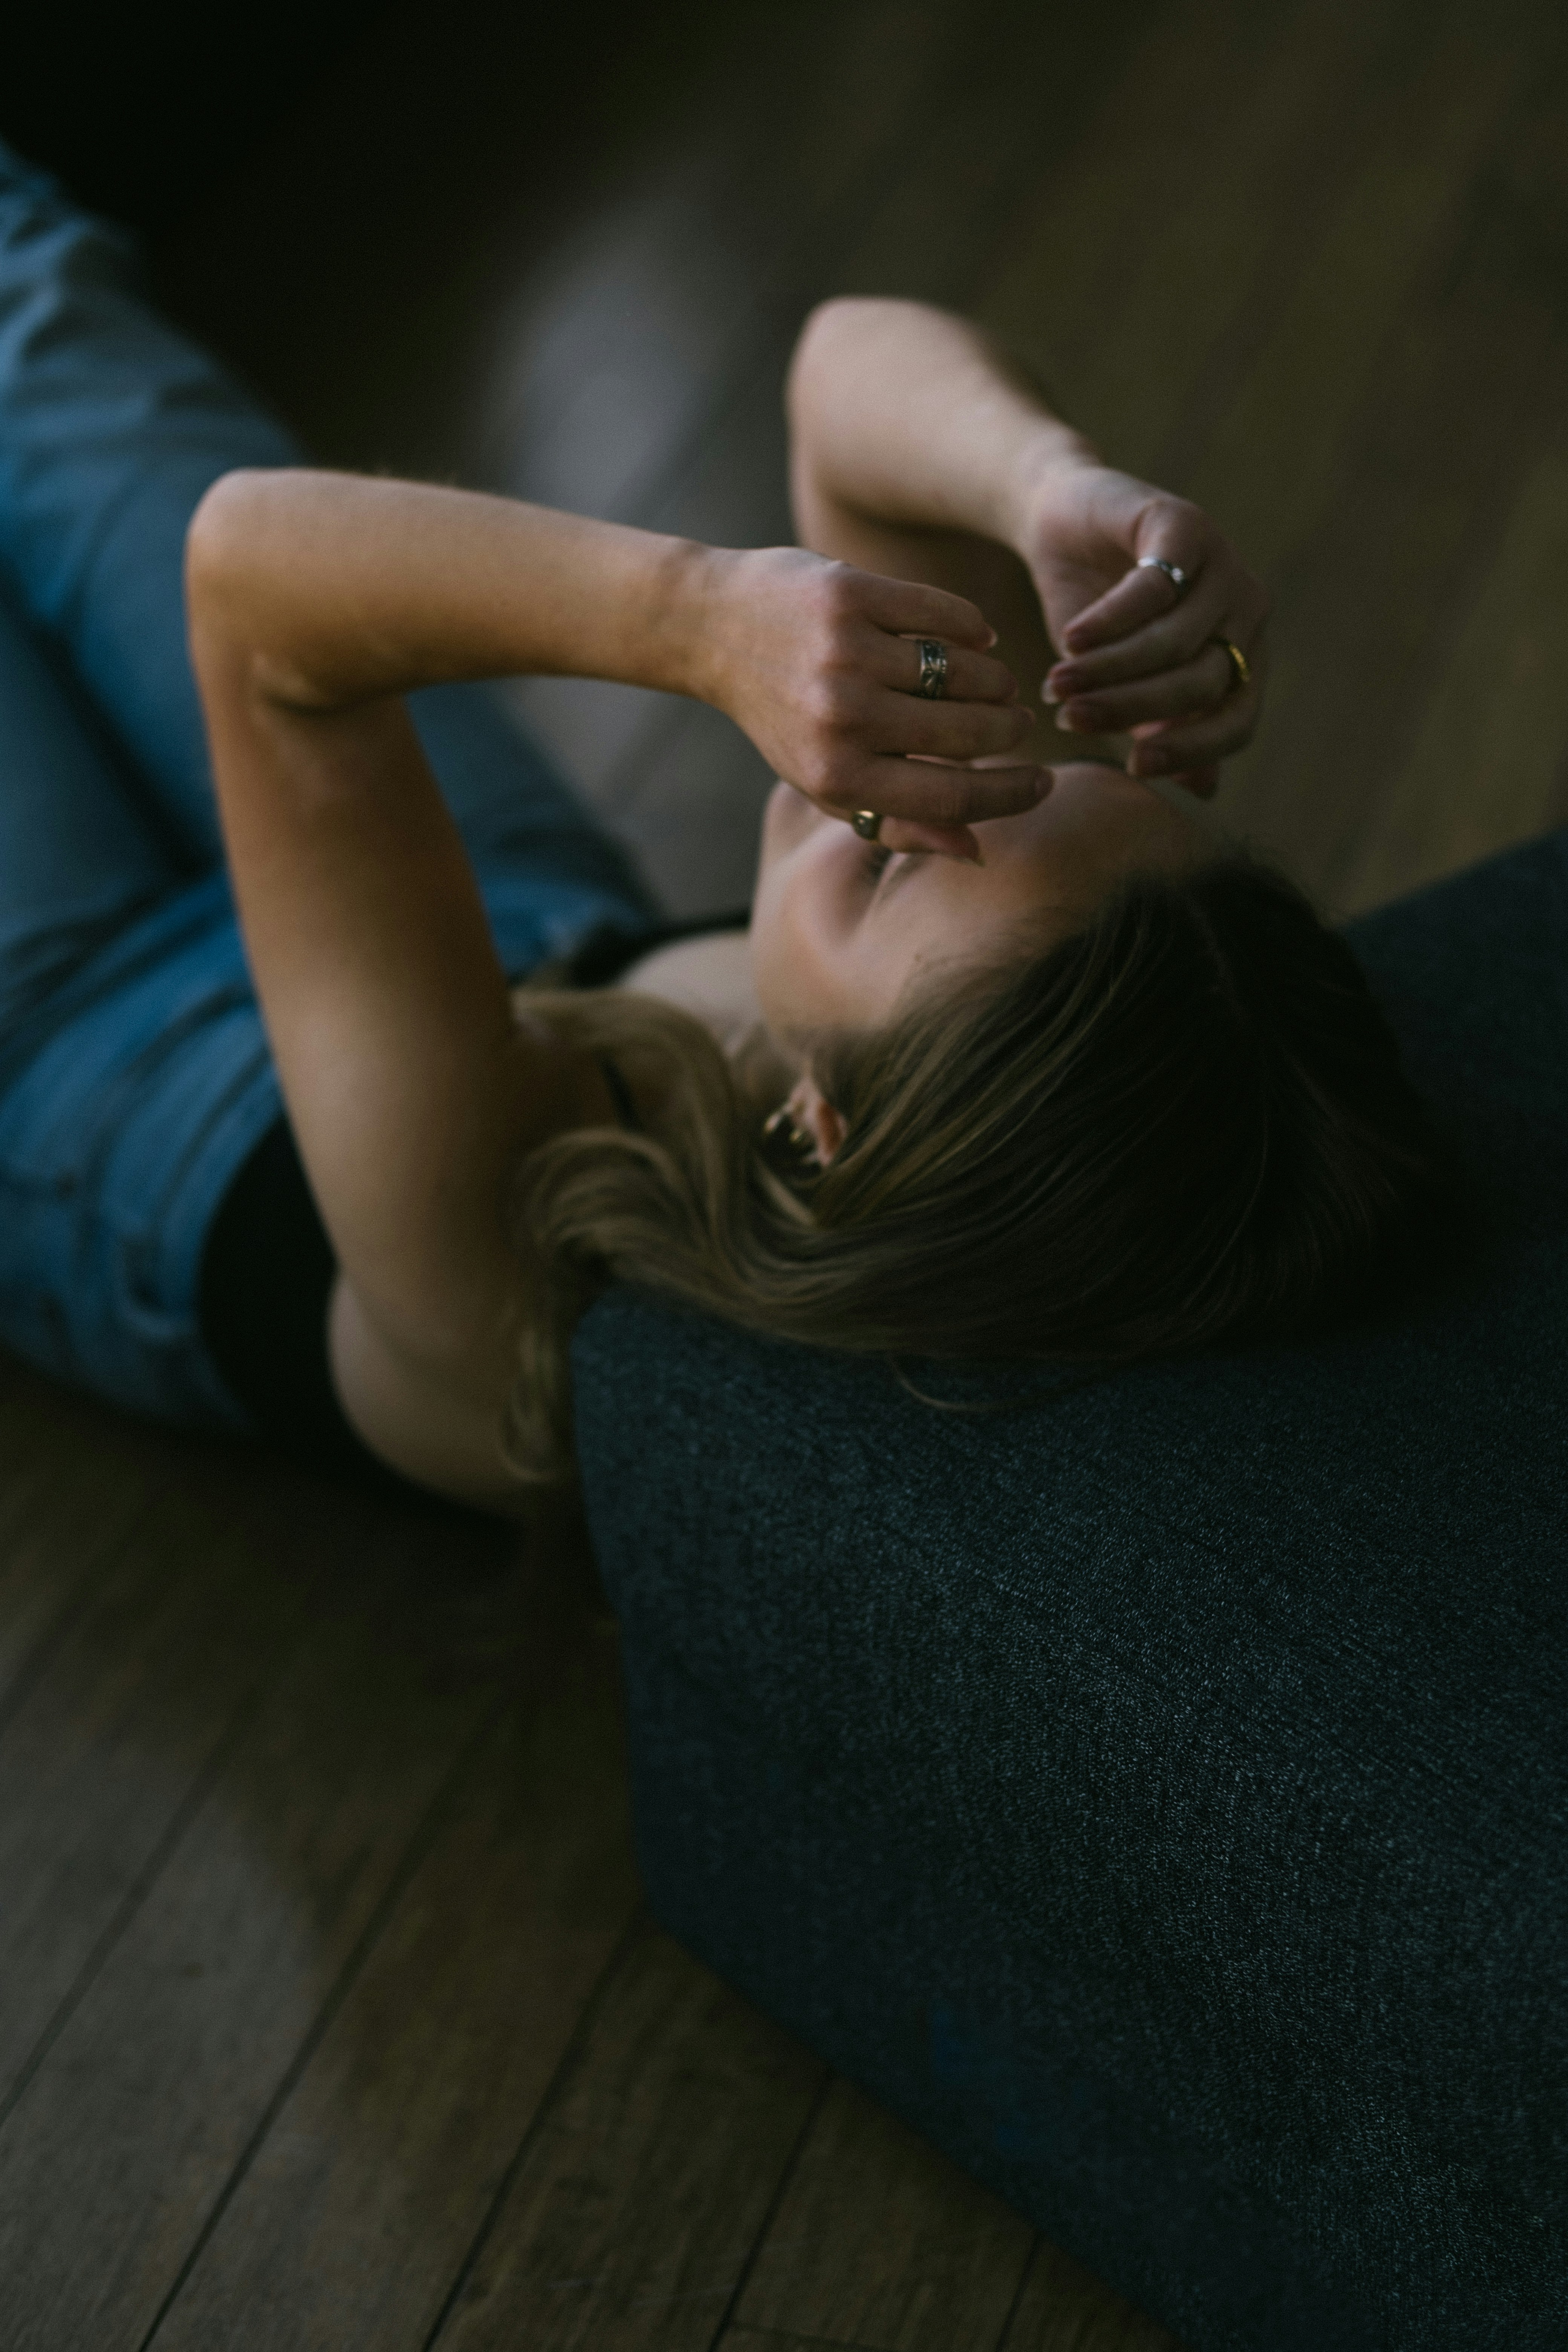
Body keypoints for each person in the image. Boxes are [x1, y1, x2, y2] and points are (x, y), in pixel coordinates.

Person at [0, 143, 1450, 1516]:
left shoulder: (527, 1304)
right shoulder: (1021, 973)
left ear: (821, 1132)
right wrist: (1042, 484)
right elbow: (842, 372)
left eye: (886, 860)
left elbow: (253, 578)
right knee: (33, 293)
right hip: (506, 905)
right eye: (1035, 778)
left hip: (91, 1046)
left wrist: (694, 617)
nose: (901, 789)